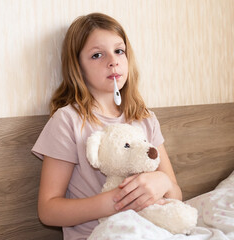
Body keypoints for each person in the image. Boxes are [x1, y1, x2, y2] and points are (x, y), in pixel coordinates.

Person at [31, 12, 182, 239]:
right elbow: (48, 211)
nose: (113, 60)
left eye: (119, 51)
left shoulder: (145, 118)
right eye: (97, 55)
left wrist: (162, 181)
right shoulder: (68, 120)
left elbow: (176, 194)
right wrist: (117, 201)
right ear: (77, 67)